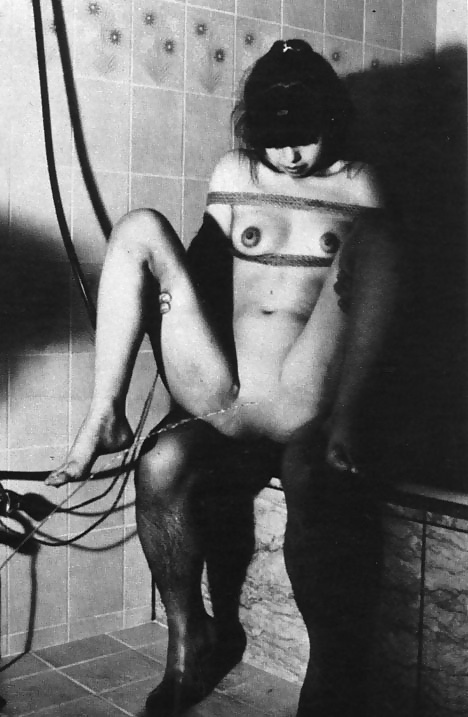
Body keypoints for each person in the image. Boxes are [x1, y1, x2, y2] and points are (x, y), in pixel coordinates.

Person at [47, 39, 398, 716]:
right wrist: (169, 323)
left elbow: (371, 305)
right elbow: (206, 270)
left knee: (380, 237)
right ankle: (106, 421)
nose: (290, 155)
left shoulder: (359, 182)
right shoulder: (235, 170)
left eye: (305, 137)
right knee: (140, 229)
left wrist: (349, 419)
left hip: (302, 398)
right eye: (275, 140)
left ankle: (330, 675)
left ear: (332, 121)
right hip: (227, 395)